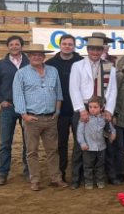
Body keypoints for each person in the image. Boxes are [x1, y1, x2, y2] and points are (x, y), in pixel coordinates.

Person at [12, 44, 64, 191]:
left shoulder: (53, 71)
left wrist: (57, 111)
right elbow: (18, 95)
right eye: (34, 54)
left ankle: (56, 178)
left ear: (44, 56)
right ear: (29, 56)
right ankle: (35, 179)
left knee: (53, 150)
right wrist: (24, 115)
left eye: (40, 54)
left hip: (51, 117)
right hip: (32, 118)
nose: (37, 57)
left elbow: (58, 92)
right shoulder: (21, 73)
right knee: (31, 151)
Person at [69, 35, 118, 187]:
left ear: (102, 49)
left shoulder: (110, 66)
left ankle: (110, 176)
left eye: (98, 49)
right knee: (80, 144)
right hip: (84, 108)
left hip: (102, 110)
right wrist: (81, 109)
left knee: (105, 142)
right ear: (87, 49)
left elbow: (112, 91)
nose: (95, 52)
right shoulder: (77, 65)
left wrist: (108, 110)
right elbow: (74, 88)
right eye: (92, 49)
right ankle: (76, 178)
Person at [0, 35, 30, 185]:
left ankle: (28, 170)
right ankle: (3, 173)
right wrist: (1, 101)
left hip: (26, 108)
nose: (14, 46)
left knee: (28, 141)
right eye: (11, 44)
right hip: (9, 107)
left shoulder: (29, 62)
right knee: (5, 142)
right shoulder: (0, 64)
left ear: (22, 46)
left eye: (17, 44)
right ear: (8, 47)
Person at [45, 34, 83, 182]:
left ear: (74, 46)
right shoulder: (51, 64)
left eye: (70, 44)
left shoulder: (80, 62)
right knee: (60, 143)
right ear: (59, 45)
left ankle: (78, 173)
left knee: (79, 142)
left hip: (78, 109)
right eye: (65, 44)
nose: (67, 46)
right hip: (59, 111)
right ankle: (60, 173)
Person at [77, 96, 116, 190]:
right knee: (88, 166)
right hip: (88, 147)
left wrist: (113, 134)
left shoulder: (104, 118)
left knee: (100, 166)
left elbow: (111, 128)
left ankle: (100, 181)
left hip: (101, 147)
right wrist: (82, 143)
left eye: (95, 107)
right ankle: (89, 182)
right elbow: (79, 132)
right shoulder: (85, 118)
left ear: (101, 108)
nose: (92, 109)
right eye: (90, 107)